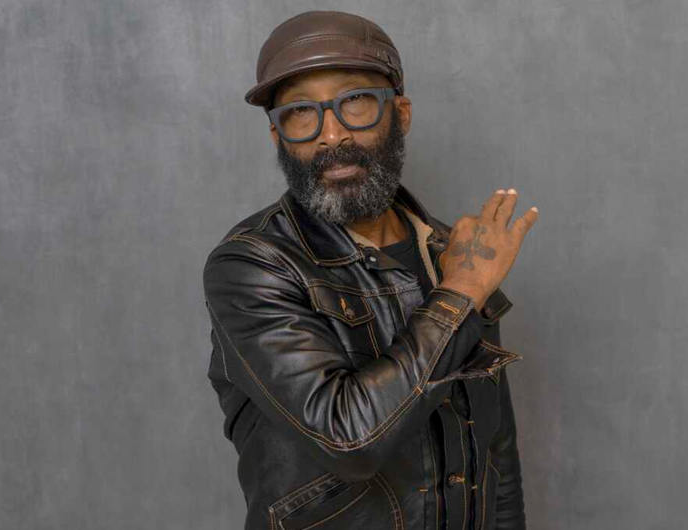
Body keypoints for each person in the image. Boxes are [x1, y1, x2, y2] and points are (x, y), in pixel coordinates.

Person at [203, 10, 538, 529]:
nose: (331, 134)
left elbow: (496, 453)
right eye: (300, 111)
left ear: (400, 113)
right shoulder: (252, 265)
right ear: (277, 136)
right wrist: (461, 293)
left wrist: (462, 285)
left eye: (355, 101)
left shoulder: (450, 253)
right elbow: (348, 438)